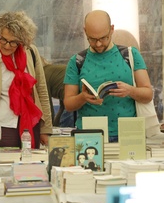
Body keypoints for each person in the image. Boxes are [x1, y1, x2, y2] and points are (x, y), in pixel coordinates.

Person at [64, 10, 153, 142]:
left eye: (103, 38)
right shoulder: (76, 61)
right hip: (90, 133)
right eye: (92, 39)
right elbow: (68, 104)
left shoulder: (130, 55)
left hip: (128, 133)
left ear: (112, 30)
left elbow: (148, 94)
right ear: (85, 31)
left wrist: (130, 90)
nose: (98, 44)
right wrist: (83, 97)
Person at [0, 11, 52, 149]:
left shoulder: (31, 52)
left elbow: (41, 90)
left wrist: (46, 129)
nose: (7, 46)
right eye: (3, 40)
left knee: (29, 168)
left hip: (31, 124)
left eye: (13, 42)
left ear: (22, 41)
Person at [41, 56, 74, 127]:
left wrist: (48, 128)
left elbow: (47, 107)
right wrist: (55, 125)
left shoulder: (42, 75)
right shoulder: (54, 70)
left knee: (65, 129)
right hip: (78, 96)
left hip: (74, 98)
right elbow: (62, 107)